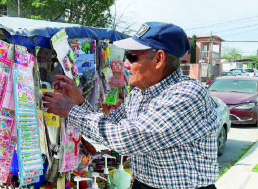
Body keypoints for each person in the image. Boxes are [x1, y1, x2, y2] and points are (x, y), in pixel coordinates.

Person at [42, 22, 219, 189]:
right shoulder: (139, 93)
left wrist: (70, 110)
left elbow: (126, 138)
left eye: (132, 57)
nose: (125, 64)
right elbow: (109, 127)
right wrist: (78, 100)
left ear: (159, 59)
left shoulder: (186, 95)